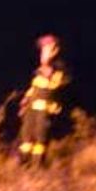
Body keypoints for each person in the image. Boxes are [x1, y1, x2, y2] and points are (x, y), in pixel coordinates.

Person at [17, 34, 67, 166]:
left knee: (40, 138)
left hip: (44, 109)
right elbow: (34, 86)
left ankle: (37, 166)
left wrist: (48, 70)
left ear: (55, 49)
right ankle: (24, 163)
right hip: (31, 108)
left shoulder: (59, 67)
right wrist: (25, 100)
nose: (43, 51)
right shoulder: (40, 70)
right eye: (43, 48)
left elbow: (55, 88)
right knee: (26, 136)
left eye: (47, 47)